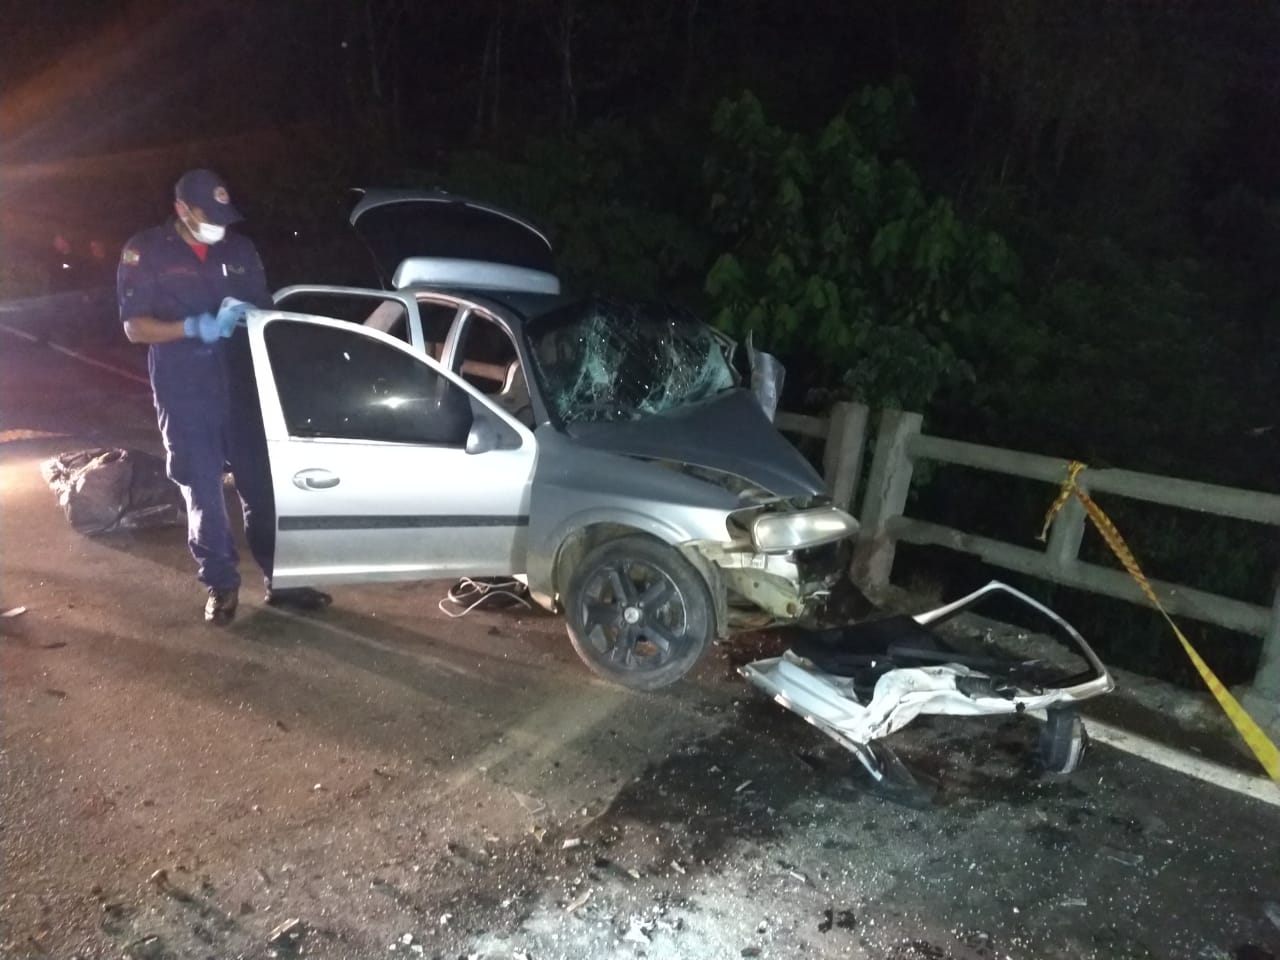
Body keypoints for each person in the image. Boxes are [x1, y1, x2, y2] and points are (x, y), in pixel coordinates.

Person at [117, 168, 331, 624]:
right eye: (207, 215)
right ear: (181, 210)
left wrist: (247, 316)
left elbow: (265, 309)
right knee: (203, 490)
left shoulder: (239, 247)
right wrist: (193, 327)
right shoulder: (147, 250)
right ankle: (221, 584)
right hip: (184, 385)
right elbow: (135, 327)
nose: (219, 225)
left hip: (243, 381)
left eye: (223, 215)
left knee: (264, 487)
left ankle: (283, 580)